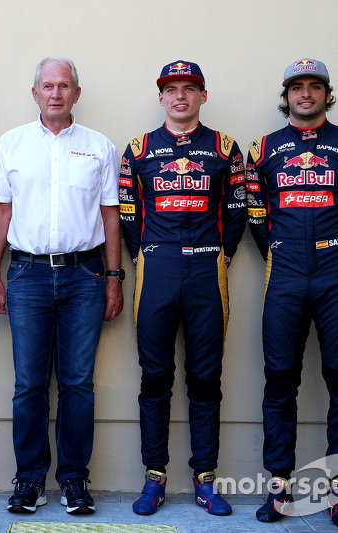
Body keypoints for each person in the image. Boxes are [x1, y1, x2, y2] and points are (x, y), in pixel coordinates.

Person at [246, 58, 338, 527]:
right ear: (286, 95)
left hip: (336, 270)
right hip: (283, 269)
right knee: (279, 378)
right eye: (297, 87)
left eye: (315, 86)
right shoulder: (262, 149)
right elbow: (255, 215)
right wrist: (282, 252)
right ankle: (279, 490)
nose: (306, 94)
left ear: (328, 93)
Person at [0, 56, 123, 516]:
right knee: (28, 385)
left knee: (78, 384)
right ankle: (28, 481)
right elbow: (0, 213)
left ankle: (74, 481)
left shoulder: (100, 146)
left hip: (85, 276)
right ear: (35, 93)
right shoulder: (11, 145)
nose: (56, 93)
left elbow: (109, 215)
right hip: (27, 275)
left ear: (76, 94)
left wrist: (113, 278)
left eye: (64, 86)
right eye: (48, 86)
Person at [119, 60, 246, 517]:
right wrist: (142, 255)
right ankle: (154, 477)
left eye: (189, 89)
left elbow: (237, 209)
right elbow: (128, 209)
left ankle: (206, 479)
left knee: (205, 378)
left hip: (207, 270)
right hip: (156, 268)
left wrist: (223, 254)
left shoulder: (227, 148)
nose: (180, 96)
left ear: (202, 96)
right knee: (154, 378)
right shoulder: (138, 148)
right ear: (161, 97)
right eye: (171, 89)